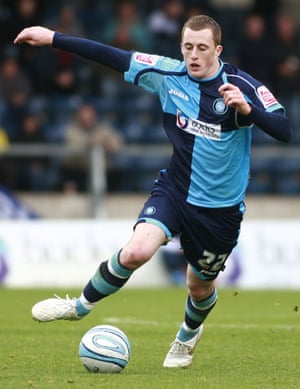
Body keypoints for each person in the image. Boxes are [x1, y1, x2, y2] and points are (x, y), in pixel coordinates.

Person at [14, 15, 292, 368]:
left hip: (219, 209)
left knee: (198, 288)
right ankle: (78, 307)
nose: (193, 55)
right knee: (135, 252)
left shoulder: (241, 86)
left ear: (217, 50)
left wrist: (248, 110)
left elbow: (284, 129)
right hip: (175, 189)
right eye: (188, 47)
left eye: (202, 48)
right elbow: (113, 56)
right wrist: (54, 38)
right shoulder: (168, 74)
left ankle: (187, 335)